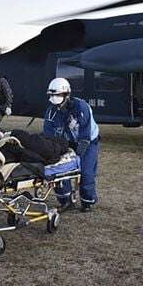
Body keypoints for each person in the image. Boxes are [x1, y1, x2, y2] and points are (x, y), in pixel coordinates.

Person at [43, 78, 100, 212]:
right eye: (51, 95)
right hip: (66, 143)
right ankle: (65, 200)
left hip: (89, 141)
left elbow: (85, 136)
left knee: (86, 173)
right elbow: (49, 135)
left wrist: (77, 156)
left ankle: (87, 201)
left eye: (57, 95)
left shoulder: (81, 107)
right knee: (59, 171)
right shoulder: (51, 112)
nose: (54, 98)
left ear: (67, 95)